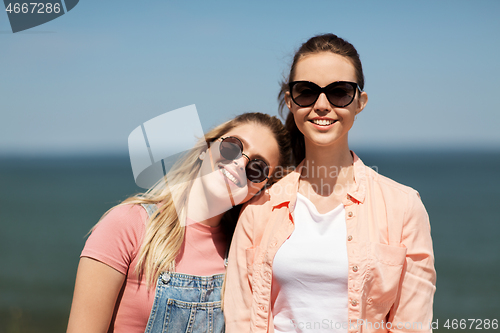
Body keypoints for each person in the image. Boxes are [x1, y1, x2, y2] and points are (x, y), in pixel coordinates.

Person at [224, 34, 436, 333]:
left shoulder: (403, 206)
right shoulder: (259, 209)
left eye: (338, 92)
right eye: (307, 91)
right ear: (290, 100)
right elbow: (240, 321)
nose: (322, 105)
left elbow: (411, 325)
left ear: (360, 102)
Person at [66, 112, 291, 333]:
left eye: (258, 168)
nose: (240, 164)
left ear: (261, 187)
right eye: (232, 147)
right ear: (206, 149)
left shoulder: (240, 254)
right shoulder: (128, 224)